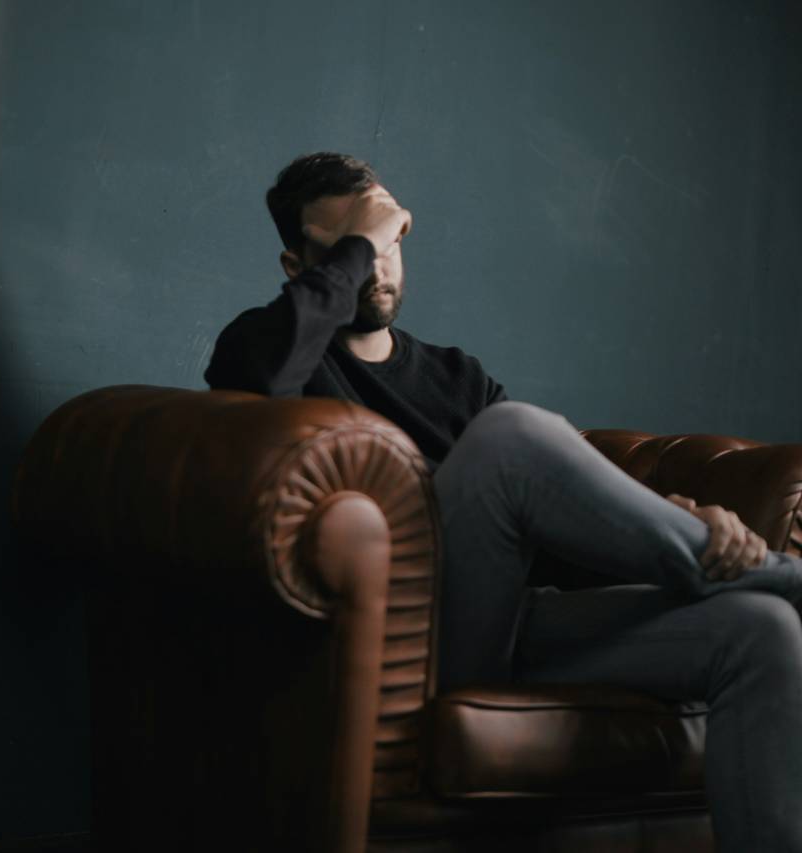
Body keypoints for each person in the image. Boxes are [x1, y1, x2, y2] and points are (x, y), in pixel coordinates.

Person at [204, 152, 802, 851]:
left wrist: (667, 517)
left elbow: (545, 530)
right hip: (411, 644)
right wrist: (363, 242)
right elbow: (252, 385)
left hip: (510, 625)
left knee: (762, 630)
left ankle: (744, 576)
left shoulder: (459, 377)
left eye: (389, 237)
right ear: (297, 265)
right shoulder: (266, 349)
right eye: (349, 245)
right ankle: (773, 572)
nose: (376, 264)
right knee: (511, 435)